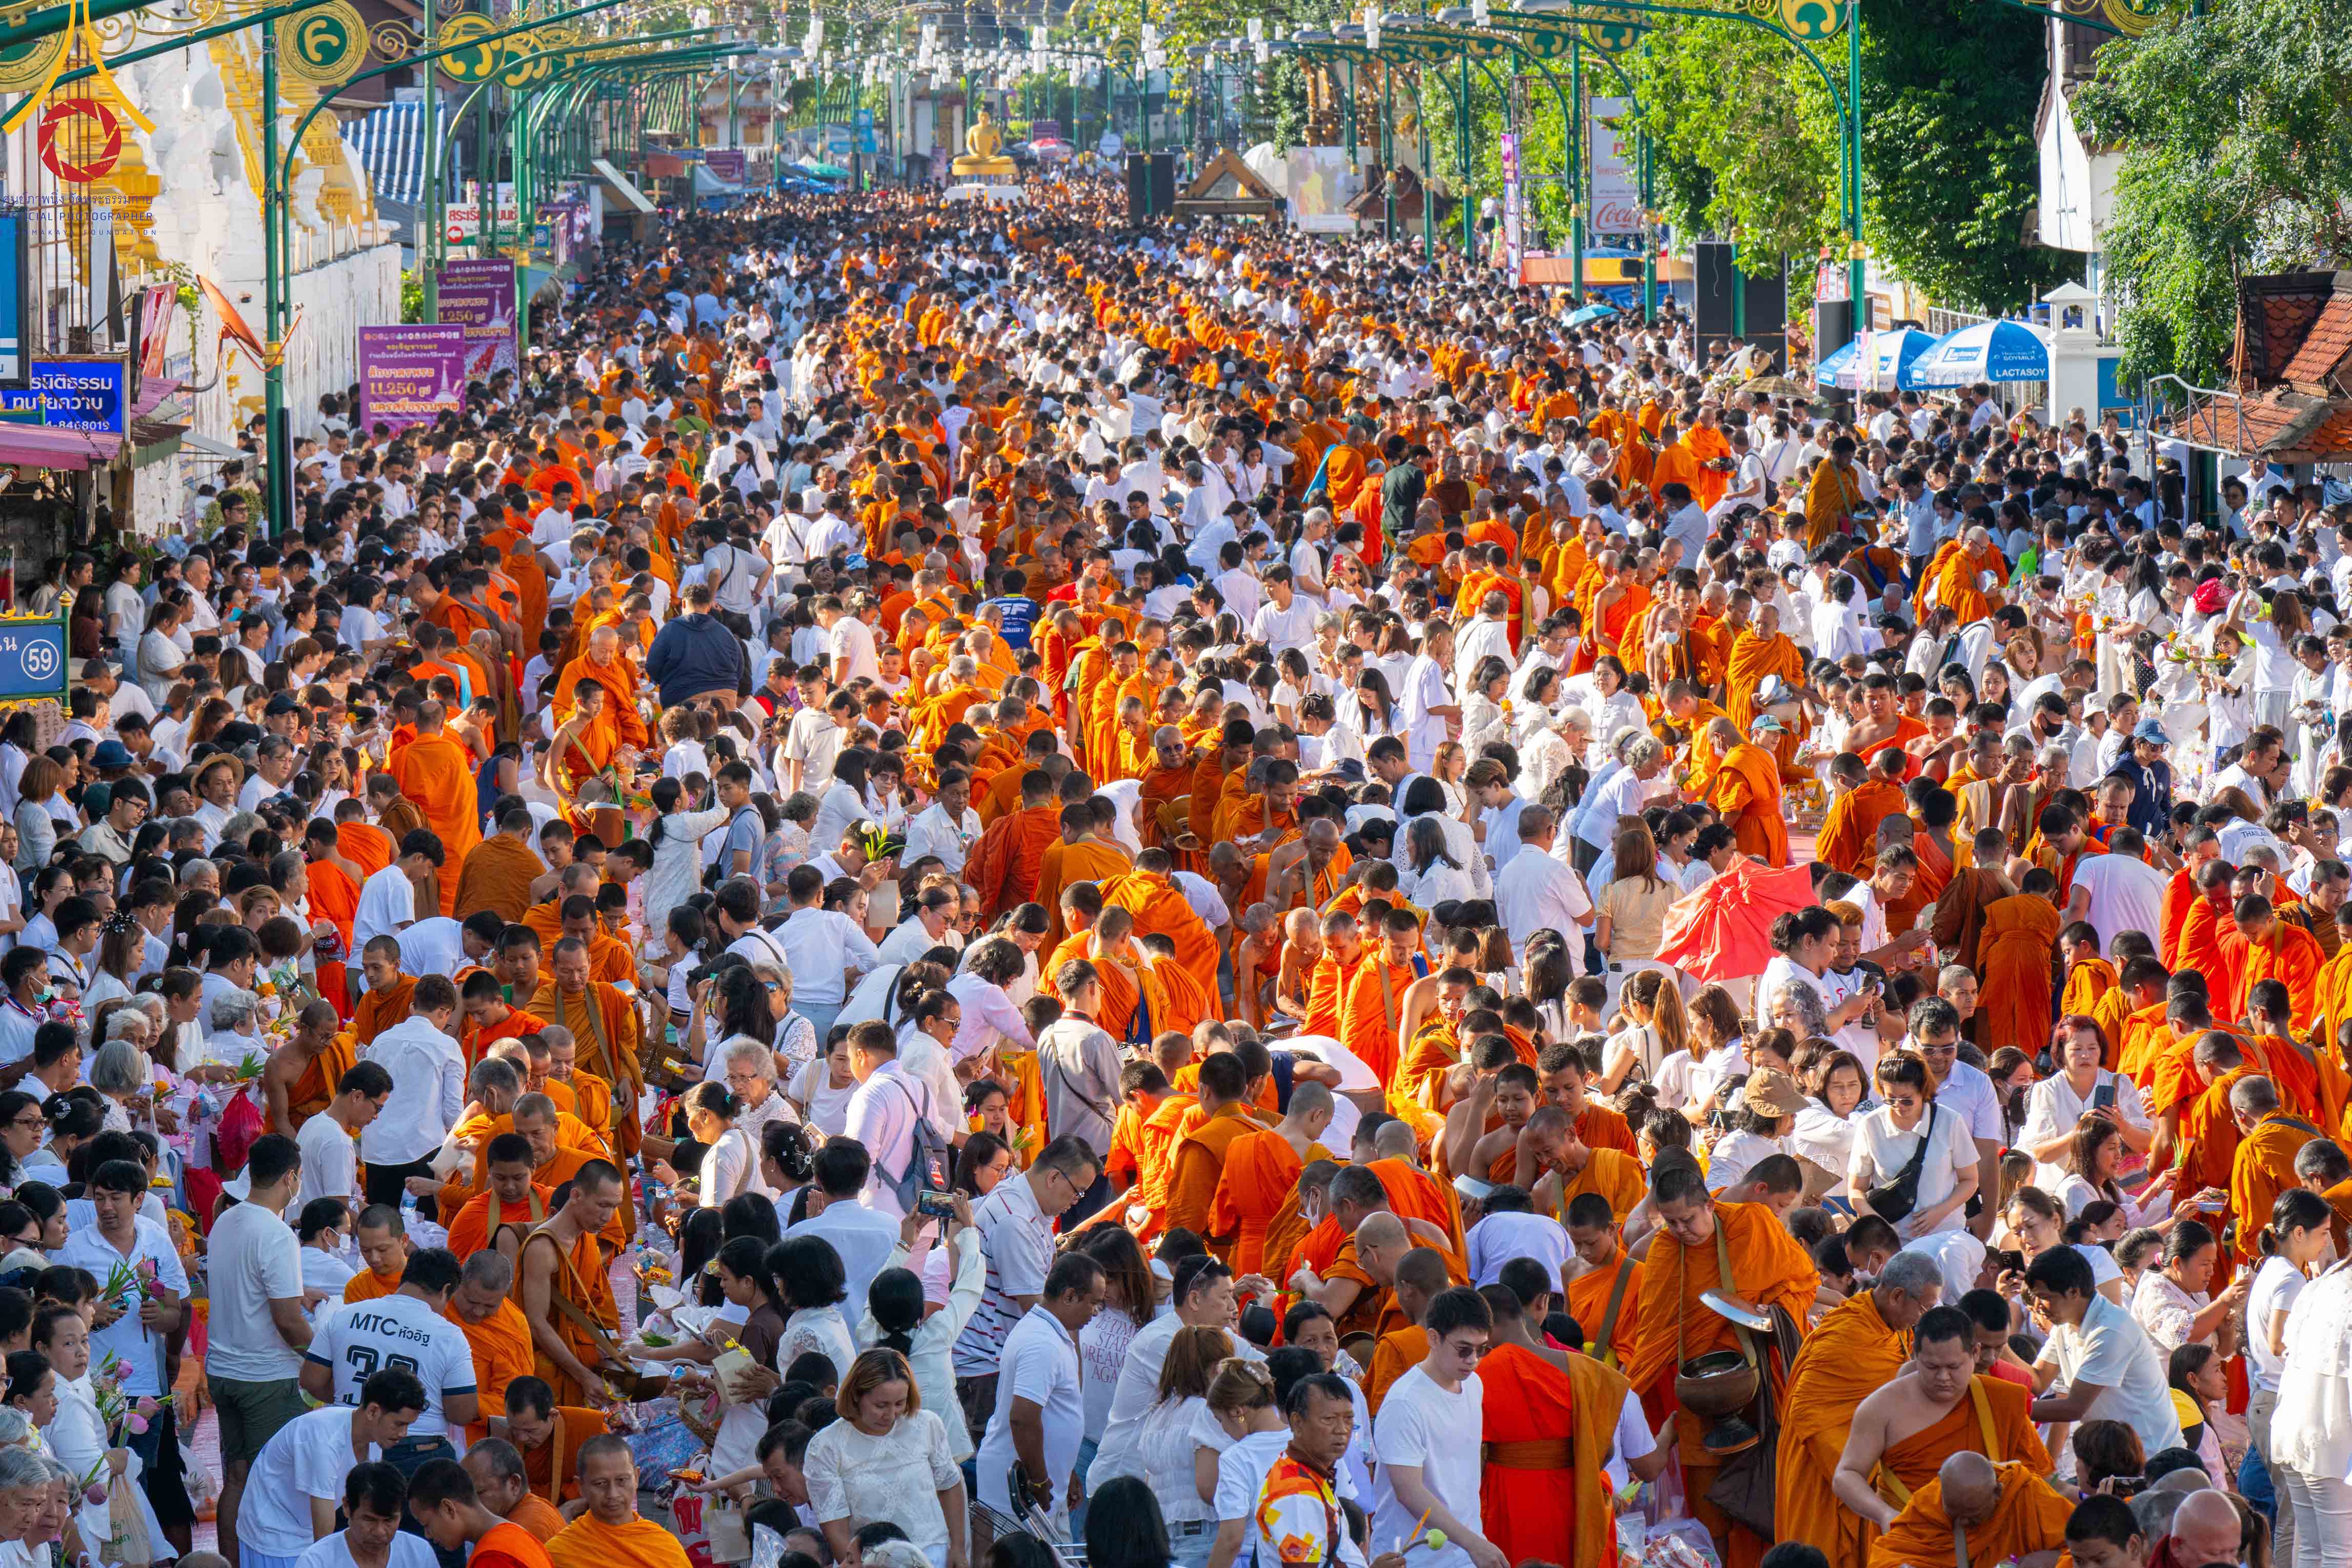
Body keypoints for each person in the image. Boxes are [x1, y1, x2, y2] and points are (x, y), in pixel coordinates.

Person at [973, 1253, 1105, 1532]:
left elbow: (1052, 1413)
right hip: (1021, 1489)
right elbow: (1023, 1418)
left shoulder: (1049, 1332)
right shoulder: (1041, 1342)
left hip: (1035, 1485)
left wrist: (1065, 1472)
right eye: (1093, 1303)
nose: (1095, 1312)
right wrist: (1039, 1482)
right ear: (1069, 1296)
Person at [801, 1349, 968, 1568]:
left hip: (934, 1556)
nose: (891, 1415)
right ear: (856, 1396)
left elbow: (949, 1485)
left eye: (900, 1403)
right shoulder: (826, 1446)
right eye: (881, 1406)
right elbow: (835, 1527)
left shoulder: (926, 1425)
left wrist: (958, 1547)